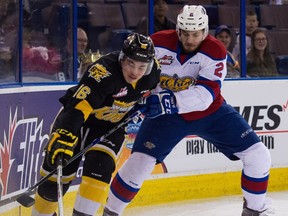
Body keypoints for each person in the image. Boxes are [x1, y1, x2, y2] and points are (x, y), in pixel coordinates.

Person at [102, 5, 273, 216]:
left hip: (211, 113)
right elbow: (136, 73)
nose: (190, 39)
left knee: (258, 155)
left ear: (205, 31)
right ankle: (110, 212)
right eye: (186, 34)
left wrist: (166, 101)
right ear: (178, 31)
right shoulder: (157, 43)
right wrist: (137, 97)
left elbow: (206, 95)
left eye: (196, 34)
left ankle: (254, 211)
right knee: (139, 163)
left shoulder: (216, 50)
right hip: (165, 117)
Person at [31, 33, 161, 216]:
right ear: (122, 58)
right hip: (77, 124)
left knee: (99, 173)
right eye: (130, 63)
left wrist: (151, 103)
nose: (135, 72)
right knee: (52, 188)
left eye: (141, 67)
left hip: (109, 129)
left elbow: (154, 93)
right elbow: (79, 106)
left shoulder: (153, 73)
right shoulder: (103, 72)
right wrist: (64, 134)